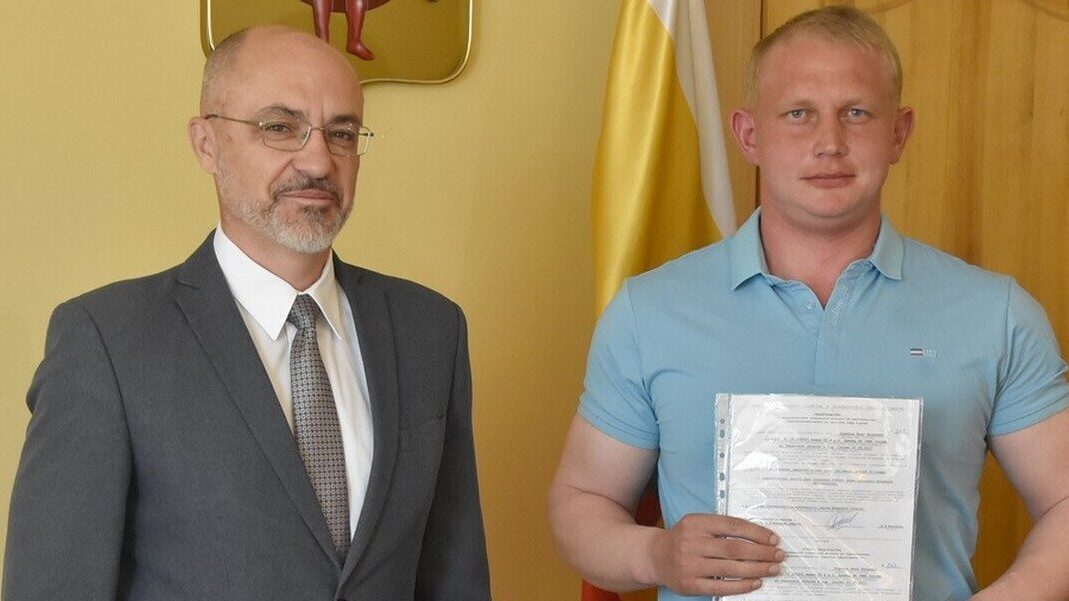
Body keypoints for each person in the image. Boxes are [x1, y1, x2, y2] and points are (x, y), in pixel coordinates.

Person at [548, 6, 1069, 601]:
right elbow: (582, 502)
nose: (830, 144)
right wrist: (653, 553)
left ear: (899, 133)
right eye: (798, 113)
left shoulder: (996, 314)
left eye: (857, 113)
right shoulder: (649, 312)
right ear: (749, 135)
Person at [4, 25, 490, 601]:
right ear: (207, 144)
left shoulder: (430, 330)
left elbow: (454, 575)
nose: (318, 161)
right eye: (279, 127)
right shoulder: (107, 342)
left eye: (341, 133)